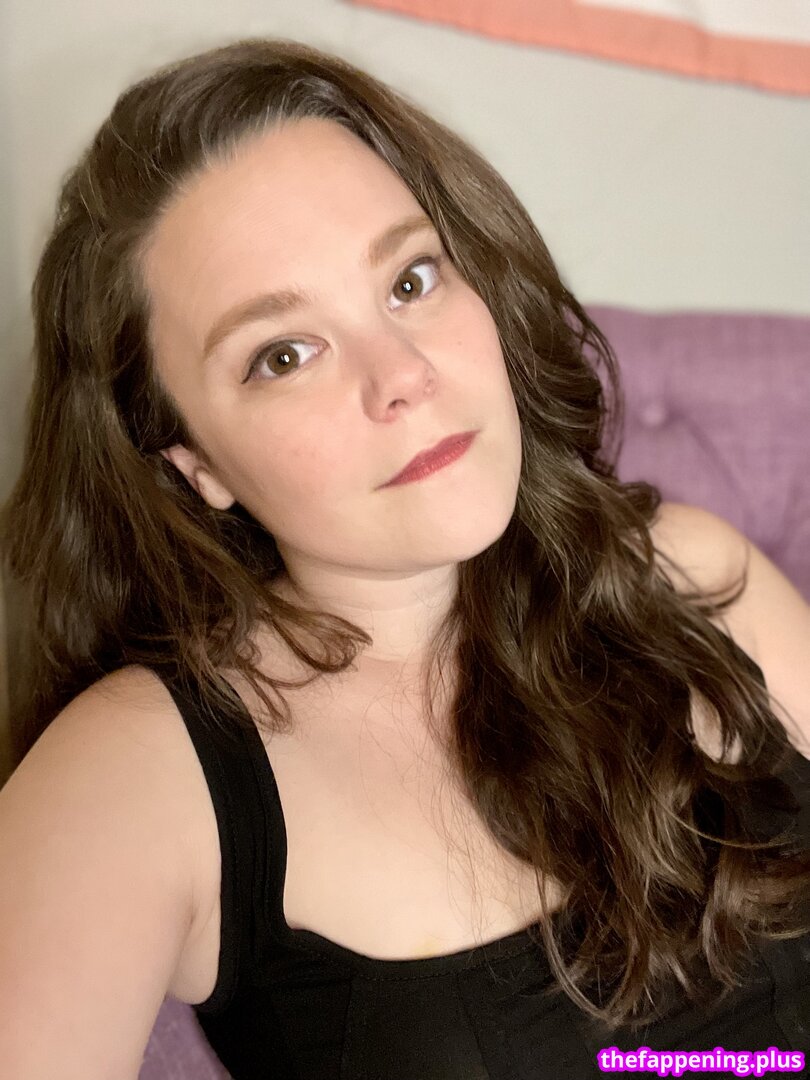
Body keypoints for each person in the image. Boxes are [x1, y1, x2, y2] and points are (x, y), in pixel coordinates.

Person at [0, 36, 808, 1080]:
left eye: (411, 279)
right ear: (195, 463)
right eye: (283, 354)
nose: (403, 375)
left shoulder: (688, 577)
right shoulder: (140, 775)